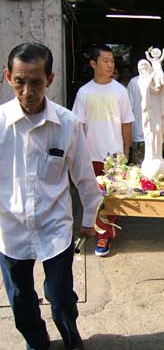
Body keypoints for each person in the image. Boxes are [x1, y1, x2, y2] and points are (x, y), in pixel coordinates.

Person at [0, 42, 102, 350]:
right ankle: (37, 343)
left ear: (50, 79)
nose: (27, 91)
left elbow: (84, 176)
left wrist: (88, 219)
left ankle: (70, 337)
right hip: (10, 231)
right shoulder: (1, 123)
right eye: (20, 81)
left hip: (55, 229)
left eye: (36, 82)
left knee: (61, 298)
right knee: (20, 302)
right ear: (7, 77)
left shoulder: (68, 124)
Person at [72, 44, 135, 257]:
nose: (110, 65)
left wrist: (126, 150)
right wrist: (78, 154)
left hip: (114, 155)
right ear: (93, 64)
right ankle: (99, 228)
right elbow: (78, 126)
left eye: (112, 61)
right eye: (105, 61)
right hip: (91, 154)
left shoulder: (120, 90)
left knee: (111, 198)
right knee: (93, 197)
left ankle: (104, 235)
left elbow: (127, 123)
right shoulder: (84, 92)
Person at [127, 59, 164, 165]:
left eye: (146, 67)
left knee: (156, 162)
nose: (144, 70)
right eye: (142, 68)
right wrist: (128, 136)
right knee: (138, 168)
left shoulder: (159, 83)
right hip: (139, 134)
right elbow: (128, 110)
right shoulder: (134, 83)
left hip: (157, 131)